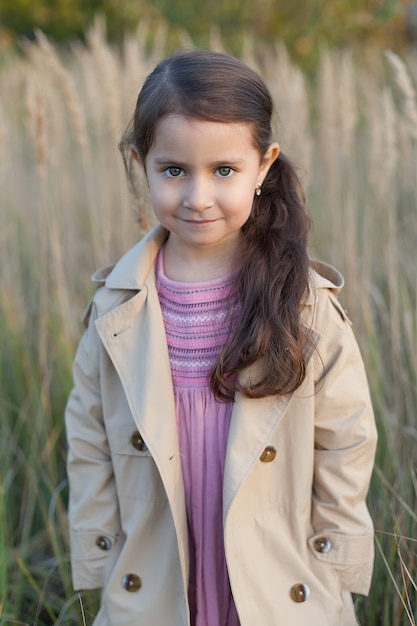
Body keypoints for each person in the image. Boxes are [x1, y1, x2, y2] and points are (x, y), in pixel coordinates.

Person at [65, 49, 377, 626]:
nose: (197, 197)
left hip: (277, 580)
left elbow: (347, 439)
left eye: (224, 171)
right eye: (174, 170)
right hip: (157, 575)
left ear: (264, 166)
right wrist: (104, 559)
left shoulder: (304, 304)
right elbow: (87, 439)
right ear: (142, 163)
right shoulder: (117, 307)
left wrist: (331, 565)